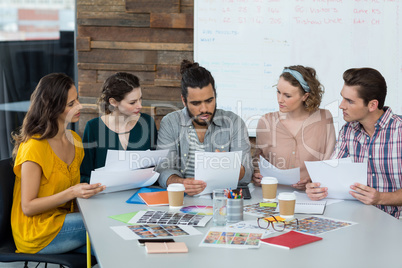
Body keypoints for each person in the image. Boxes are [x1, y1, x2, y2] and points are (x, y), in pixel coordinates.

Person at [11, 73, 105, 254]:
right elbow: (28, 207)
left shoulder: (75, 141)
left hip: (64, 220)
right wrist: (72, 192)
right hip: (36, 231)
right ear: (52, 108)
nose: (79, 106)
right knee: (105, 227)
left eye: (77, 99)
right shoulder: (34, 147)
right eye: (71, 104)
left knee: (108, 247)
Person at [306, 68, 402, 218]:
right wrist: (317, 188)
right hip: (359, 219)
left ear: (372, 105)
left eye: (349, 101)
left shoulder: (399, 131)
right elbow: (331, 175)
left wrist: (380, 198)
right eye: (343, 98)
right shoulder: (347, 131)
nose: (341, 105)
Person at [156, 60, 253, 196]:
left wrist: (232, 167)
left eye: (209, 100)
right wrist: (180, 183)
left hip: (221, 201)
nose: (204, 109)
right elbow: (163, 169)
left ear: (215, 96)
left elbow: (247, 174)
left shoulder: (234, 122)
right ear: (184, 101)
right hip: (183, 200)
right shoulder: (170, 123)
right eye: (196, 103)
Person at [253, 66, 336, 190]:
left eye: (287, 96)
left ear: (305, 96)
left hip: (312, 196)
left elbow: (329, 162)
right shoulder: (266, 122)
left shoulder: (324, 118)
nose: (280, 99)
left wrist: (312, 180)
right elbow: (258, 162)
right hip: (274, 195)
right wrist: (256, 175)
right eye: (278, 92)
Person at [80, 72, 157, 183]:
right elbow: (84, 175)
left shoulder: (147, 123)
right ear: (113, 102)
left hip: (139, 196)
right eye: (132, 102)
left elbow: (155, 168)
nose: (140, 105)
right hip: (103, 197)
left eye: (140, 99)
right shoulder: (93, 127)